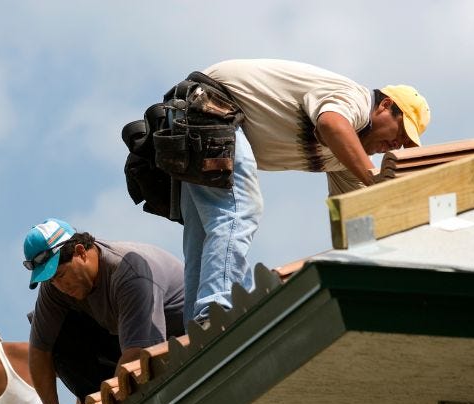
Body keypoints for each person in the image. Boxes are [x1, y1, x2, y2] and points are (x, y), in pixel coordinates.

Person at [164, 59, 431, 324]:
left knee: (203, 235)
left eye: (405, 144)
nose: (397, 145)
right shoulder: (357, 99)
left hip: (195, 119)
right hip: (212, 105)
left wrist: (387, 255)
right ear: (385, 106)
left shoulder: (346, 158)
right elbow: (332, 124)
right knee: (241, 209)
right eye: (401, 132)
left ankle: (195, 331)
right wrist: (376, 178)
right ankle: (214, 313)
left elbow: (355, 216)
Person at [23, 218, 185, 404]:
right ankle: (97, 401)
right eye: (51, 281)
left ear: (80, 252)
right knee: (55, 334)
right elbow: (39, 352)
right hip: (126, 346)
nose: (59, 286)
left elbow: (139, 355)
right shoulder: (55, 288)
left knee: (134, 367)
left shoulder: (128, 270)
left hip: (169, 345)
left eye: (60, 275)